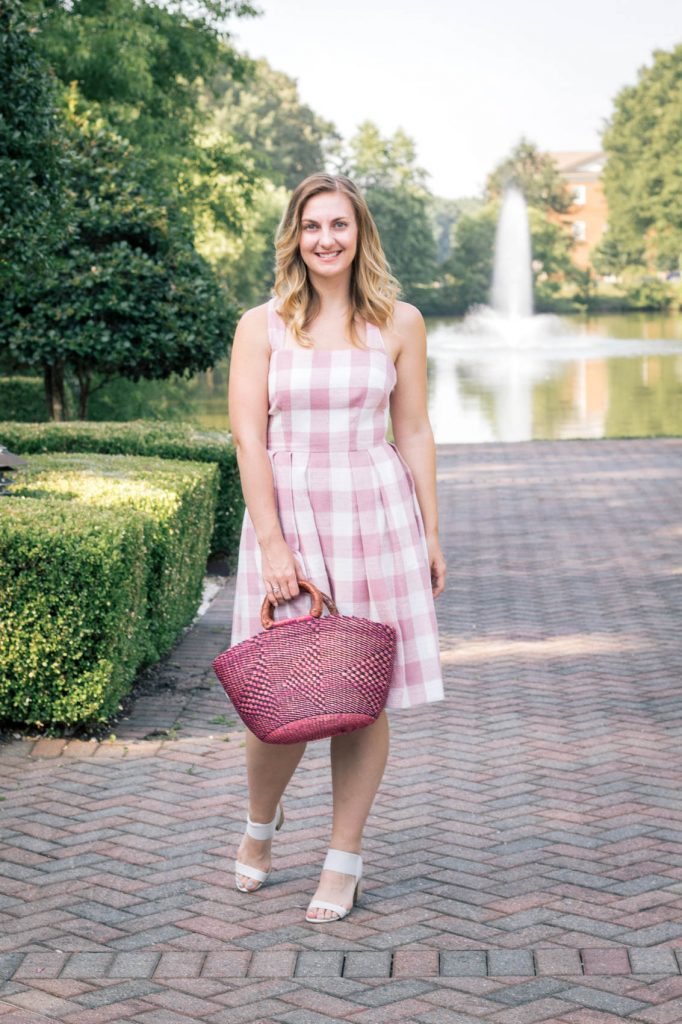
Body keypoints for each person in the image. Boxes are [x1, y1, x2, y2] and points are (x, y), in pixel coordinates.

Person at [227, 171, 446, 923]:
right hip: (288, 510)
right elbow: (249, 439)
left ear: (360, 236)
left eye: (340, 226)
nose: (326, 239)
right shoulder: (261, 325)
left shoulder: (400, 322)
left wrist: (431, 533)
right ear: (295, 235)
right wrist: (271, 543)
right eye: (313, 225)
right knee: (282, 693)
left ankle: (343, 859)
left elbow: (413, 430)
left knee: (360, 698)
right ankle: (260, 827)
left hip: (375, 511)